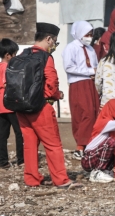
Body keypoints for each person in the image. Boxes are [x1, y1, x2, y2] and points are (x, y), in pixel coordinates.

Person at [16, 23, 81, 188]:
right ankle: (61, 179)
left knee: (29, 144)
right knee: (53, 144)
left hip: (21, 106)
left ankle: (31, 178)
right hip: (40, 107)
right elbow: (51, 84)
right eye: (55, 42)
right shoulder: (45, 57)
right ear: (48, 39)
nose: (54, 45)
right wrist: (56, 95)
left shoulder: (22, 55)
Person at [62, 21, 100, 160]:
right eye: (86, 34)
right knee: (84, 113)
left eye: (90, 34)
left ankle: (90, 143)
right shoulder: (70, 48)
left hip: (91, 84)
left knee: (94, 112)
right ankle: (80, 145)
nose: (89, 37)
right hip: (78, 84)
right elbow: (69, 67)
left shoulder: (90, 49)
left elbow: (95, 66)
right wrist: (88, 71)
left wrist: (94, 73)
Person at [0, 38, 23, 169]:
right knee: (20, 132)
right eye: (14, 54)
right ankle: (21, 159)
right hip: (10, 104)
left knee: (2, 135)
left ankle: (3, 161)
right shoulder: (8, 68)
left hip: (1, 107)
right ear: (8, 55)